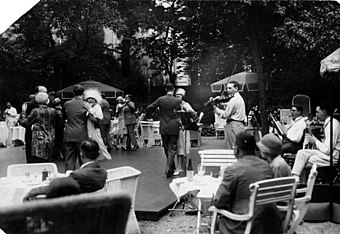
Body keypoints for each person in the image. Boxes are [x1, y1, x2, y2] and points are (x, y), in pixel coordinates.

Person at [213, 132, 282, 234]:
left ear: (236, 149)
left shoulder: (233, 170)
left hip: (245, 223)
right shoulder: (266, 166)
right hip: (270, 223)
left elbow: (219, 202)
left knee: (216, 220)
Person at [23, 139, 107, 200]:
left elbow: (54, 187)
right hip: (91, 210)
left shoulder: (78, 175)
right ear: (98, 154)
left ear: (82, 155)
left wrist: (31, 192)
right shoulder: (103, 173)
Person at [291, 104, 340, 178]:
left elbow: (327, 150)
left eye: (317, 112)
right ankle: (294, 178)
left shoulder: (332, 125)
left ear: (324, 112)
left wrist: (315, 140)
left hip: (331, 157)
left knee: (304, 161)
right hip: (327, 154)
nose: (316, 115)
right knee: (301, 153)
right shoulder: (329, 123)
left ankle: (297, 181)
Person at [147, 83, 181, 178]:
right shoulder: (177, 101)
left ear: (166, 89)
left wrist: (157, 111)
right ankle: (169, 168)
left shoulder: (160, 100)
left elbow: (149, 108)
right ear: (173, 89)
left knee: (166, 147)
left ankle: (170, 167)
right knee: (173, 148)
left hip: (163, 126)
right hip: (174, 126)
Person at [19, 92, 57, 162]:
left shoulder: (36, 111)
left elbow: (24, 122)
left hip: (38, 138)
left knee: (38, 160)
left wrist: (23, 112)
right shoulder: (53, 111)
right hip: (50, 137)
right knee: (48, 161)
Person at [211, 81, 246, 149]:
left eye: (230, 88)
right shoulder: (239, 98)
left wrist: (214, 108)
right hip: (239, 125)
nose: (227, 90)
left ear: (236, 88)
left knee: (232, 147)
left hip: (233, 125)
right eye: (227, 88)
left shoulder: (234, 100)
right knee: (238, 146)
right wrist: (221, 104)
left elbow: (225, 115)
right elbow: (229, 105)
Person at [63, 85, 88, 170]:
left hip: (69, 133)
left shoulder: (67, 104)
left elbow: (64, 117)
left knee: (69, 158)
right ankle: (83, 176)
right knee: (82, 158)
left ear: (73, 93)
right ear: (83, 93)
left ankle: (69, 176)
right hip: (81, 133)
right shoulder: (86, 105)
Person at [21, 86, 47, 163]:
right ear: (36, 93)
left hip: (43, 134)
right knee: (31, 154)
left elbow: (24, 120)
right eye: (43, 92)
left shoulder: (50, 105)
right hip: (32, 133)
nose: (45, 94)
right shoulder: (29, 105)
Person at [173, 88, 197, 176]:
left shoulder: (185, 104)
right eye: (177, 95)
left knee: (183, 148)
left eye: (180, 95)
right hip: (174, 128)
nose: (178, 97)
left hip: (183, 129)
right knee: (177, 149)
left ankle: (182, 166)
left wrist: (189, 112)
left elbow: (193, 114)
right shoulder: (173, 104)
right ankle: (179, 166)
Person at [83, 88, 112, 161]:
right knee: (93, 141)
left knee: (99, 141)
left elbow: (99, 117)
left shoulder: (97, 107)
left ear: (95, 99)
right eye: (88, 98)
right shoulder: (92, 107)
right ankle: (95, 156)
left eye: (91, 98)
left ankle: (105, 155)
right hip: (90, 126)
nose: (89, 100)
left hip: (95, 127)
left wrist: (90, 110)